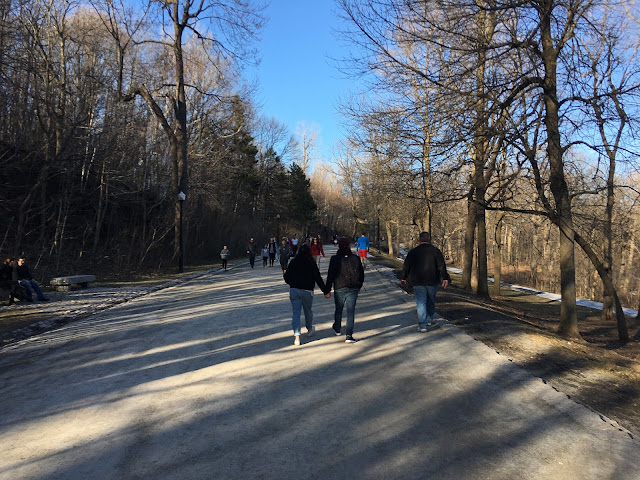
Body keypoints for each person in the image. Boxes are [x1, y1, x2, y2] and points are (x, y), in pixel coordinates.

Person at [400, 231, 450, 332]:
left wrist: (403, 277)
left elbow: (406, 266)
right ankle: (429, 319)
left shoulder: (413, 252)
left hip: (417, 280)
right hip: (432, 280)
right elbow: (441, 266)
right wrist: (445, 278)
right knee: (430, 300)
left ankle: (423, 325)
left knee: (421, 303)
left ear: (419, 240)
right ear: (429, 240)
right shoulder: (436, 251)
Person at [283, 244, 329, 346]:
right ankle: (309, 328)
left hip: (294, 290)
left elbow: (286, 277)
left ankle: (297, 336)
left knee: (296, 313)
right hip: (307, 291)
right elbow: (318, 278)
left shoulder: (293, 262)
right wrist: (325, 291)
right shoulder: (311, 262)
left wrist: (291, 283)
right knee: (308, 310)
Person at [325, 237, 365, 343]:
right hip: (353, 287)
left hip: (339, 287)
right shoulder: (355, 258)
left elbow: (330, 275)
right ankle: (349, 335)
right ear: (348, 246)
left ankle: (337, 328)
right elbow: (361, 273)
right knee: (350, 311)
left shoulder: (335, 259)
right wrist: (359, 285)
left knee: (339, 309)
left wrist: (327, 290)